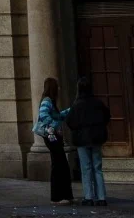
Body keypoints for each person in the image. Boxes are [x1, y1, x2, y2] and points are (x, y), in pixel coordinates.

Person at [66, 77, 111, 207]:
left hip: (82, 139)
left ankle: (88, 197)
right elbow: (107, 116)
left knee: (86, 169)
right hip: (96, 138)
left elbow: (70, 122)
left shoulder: (77, 105)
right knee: (97, 168)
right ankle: (101, 197)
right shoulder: (98, 103)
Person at [34, 77, 72, 204]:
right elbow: (44, 116)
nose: (59, 89)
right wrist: (54, 126)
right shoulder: (47, 100)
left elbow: (57, 116)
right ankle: (58, 196)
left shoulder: (49, 101)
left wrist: (69, 111)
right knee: (59, 164)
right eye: (57, 86)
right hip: (51, 136)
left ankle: (62, 195)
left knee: (60, 163)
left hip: (52, 136)